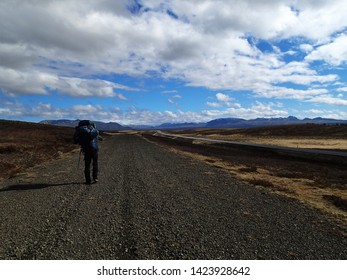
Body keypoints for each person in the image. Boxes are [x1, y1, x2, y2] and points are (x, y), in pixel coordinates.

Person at [74, 120, 102, 184]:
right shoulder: (93, 130)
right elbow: (99, 137)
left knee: (87, 165)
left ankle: (88, 180)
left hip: (86, 150)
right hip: (94, 149)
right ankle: (95, 178)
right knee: (95, 163)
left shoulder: (80, 131)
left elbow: (75, 141)